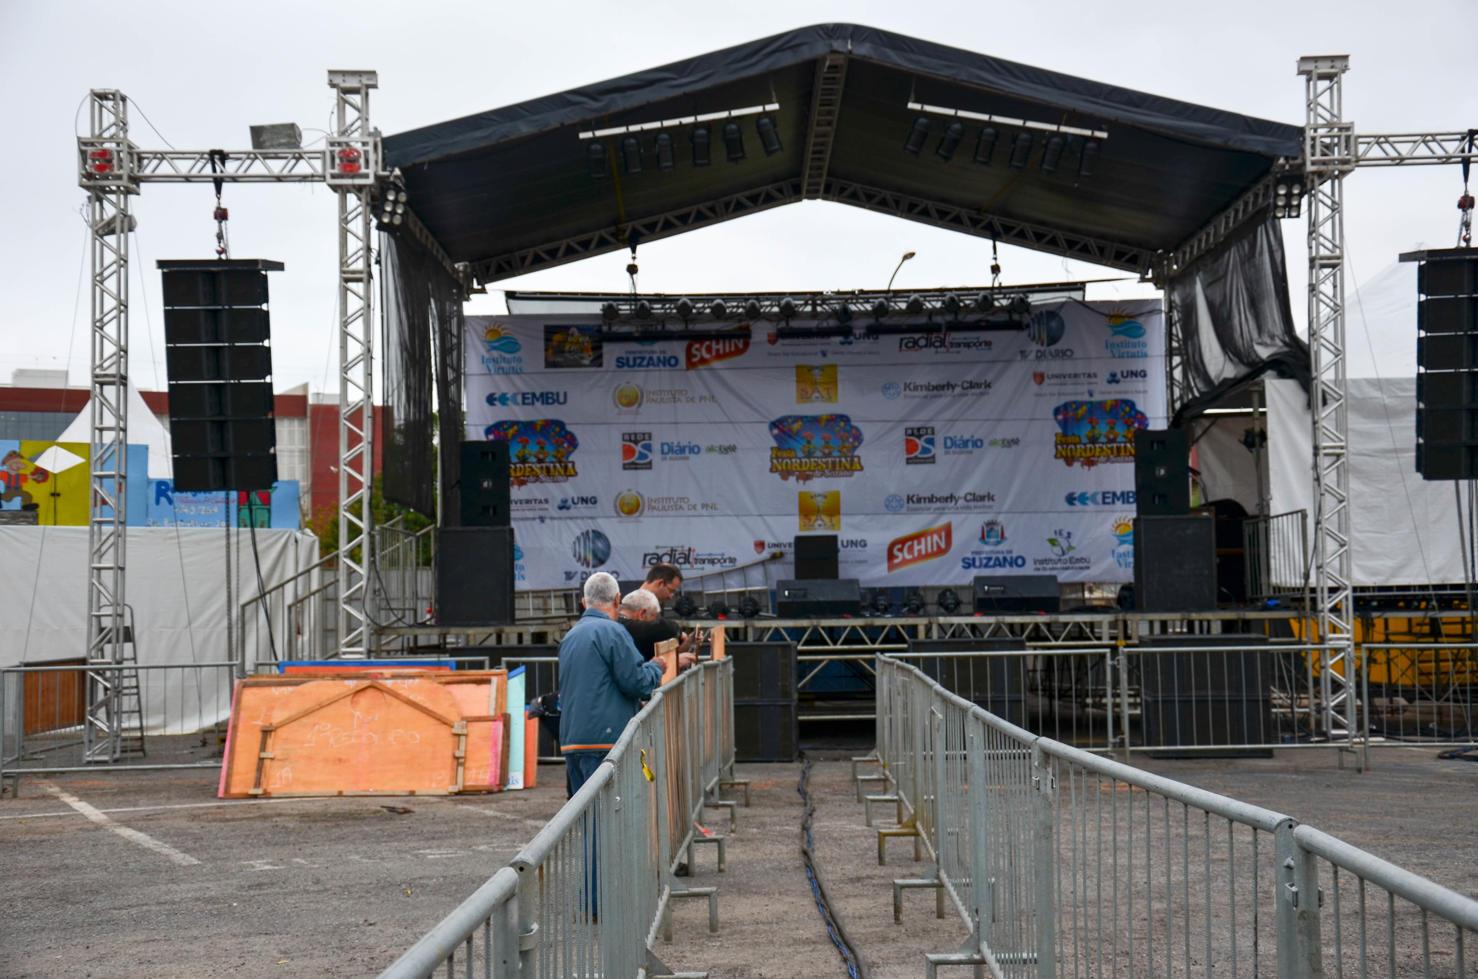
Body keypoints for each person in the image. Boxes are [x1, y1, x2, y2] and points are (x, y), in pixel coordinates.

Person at [558, 571, 693, 798]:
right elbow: (637, 683)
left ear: (583, 602)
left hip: (572, 740)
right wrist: (655, 667)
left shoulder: (570, 636)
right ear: (617, 599)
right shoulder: (613, 632)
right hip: (605, 740)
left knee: (584, 813)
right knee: (610, 812)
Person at [620, 563, 698, 662]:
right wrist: (676, 630)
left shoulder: (657, 607)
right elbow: (662, 628)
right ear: (660, 583)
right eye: (671, 590)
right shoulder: (629, 606)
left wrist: (685, 644)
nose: (671, 596)